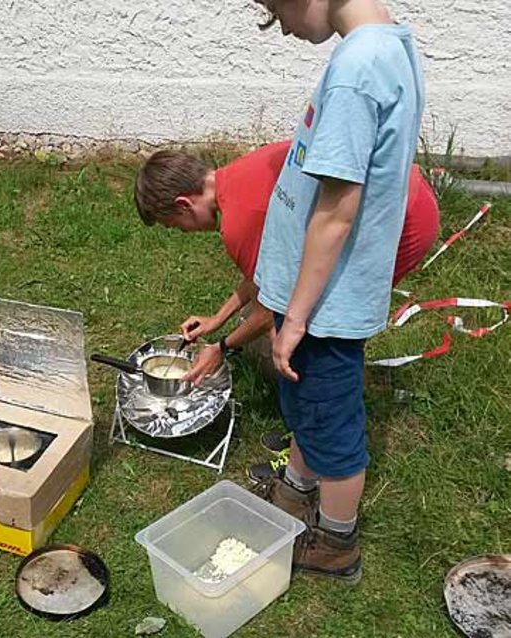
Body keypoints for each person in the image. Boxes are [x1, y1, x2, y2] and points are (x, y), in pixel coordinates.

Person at [134, 141, 438, 483]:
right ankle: (306, 438)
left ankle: (317, 451)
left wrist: (221, 348)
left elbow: (274, 307)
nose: (184, 233)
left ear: (184, 204)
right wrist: (218, 319)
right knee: (305, 327)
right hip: (398, 193)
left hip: (399, 217)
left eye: (176, 226)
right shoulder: (237, 176)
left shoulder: (238, 219)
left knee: (321, 333)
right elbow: (268, 271)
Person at [251, 0, 425, 583]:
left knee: (333, 424)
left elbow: (337, 211)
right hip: (316, 299)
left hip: (323, 306)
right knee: (307, 407)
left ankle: (335, 543)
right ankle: (298, 490)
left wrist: (297, 315)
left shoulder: (357, 69)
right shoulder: (383, 46)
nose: (287, 29)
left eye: (278, 13)